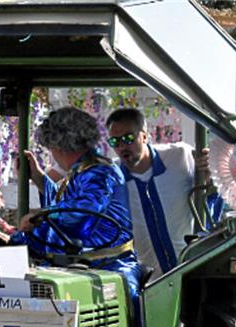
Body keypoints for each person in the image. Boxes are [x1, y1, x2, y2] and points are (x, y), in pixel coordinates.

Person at [15, 108, 141, 304]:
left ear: (60, 147)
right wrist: (40, 179)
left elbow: (79, 219)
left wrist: (33, 223)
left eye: (51, 149)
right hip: (83, 265)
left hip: (111, 266)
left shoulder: (101, 172)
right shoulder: (83, 171)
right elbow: (64, 205)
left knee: (124, 303)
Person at [104, 107, 210, 277]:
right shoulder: (111, 178)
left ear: (145, 136)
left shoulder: (181, 157)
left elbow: (210, 196)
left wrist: (208, 174)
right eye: (115, 142)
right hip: (150, 282)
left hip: (192, 268)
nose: (122, 146)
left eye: (128, 138)